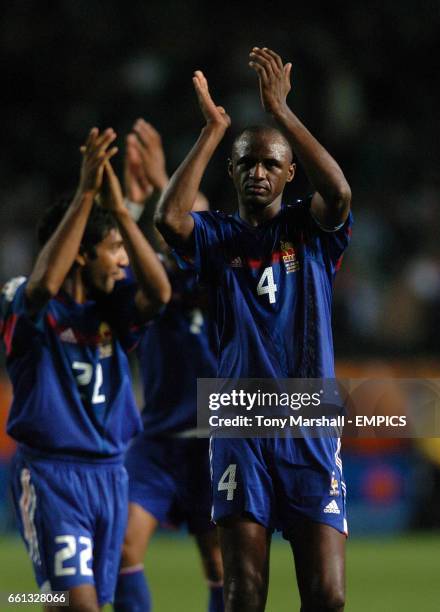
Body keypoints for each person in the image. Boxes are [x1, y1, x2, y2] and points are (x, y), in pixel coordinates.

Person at [155, 47, 352, 612]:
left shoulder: (310, 229)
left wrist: (282, 114)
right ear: (233, 172)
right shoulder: (215, 237)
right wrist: (214, 130)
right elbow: (168, 220)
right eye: (247, 164)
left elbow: (338, 194)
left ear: (291, 173)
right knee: (244, 594)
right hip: (239, 420)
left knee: (328, 595)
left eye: (270, 164)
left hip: (309, 417)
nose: (259, 173)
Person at [0, 127, 171, 611]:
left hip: (111, 475)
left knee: (69, 605)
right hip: (52, 476)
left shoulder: (112, 306)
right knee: (81, 607)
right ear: (79, 251)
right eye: (113, 249)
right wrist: (86, 193)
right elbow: (43, 285)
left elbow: (159, 293)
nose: (122, 261)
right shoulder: (22, 299)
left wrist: (120, 211)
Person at [113, 119, 224, 612]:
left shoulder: (220, 272)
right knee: (122, 551)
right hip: (155, 442)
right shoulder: (152, 283)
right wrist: (137, 202)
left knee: (220, 567)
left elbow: (191, 221)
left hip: (212, 440)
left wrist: (163, 180)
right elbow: (111, 262)